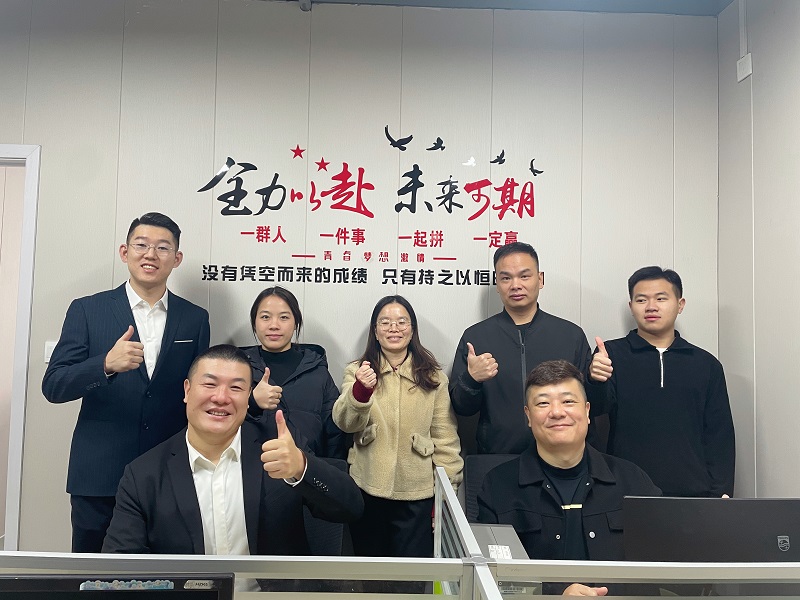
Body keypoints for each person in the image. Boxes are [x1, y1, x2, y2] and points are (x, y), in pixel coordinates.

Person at [42, 212, 210, 552]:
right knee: (93, 572)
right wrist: (104, 364)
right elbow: (54, 385)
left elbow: (198, 391)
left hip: (168, 471)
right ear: (124, 252)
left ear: (177, 258)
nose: (151, 255)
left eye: (163, 248)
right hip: (99, 473)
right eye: (141, 245)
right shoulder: (87, 310)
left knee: (166, 572)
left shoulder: (194, 318)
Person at [102, 345, 363, 557]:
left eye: (236, 388)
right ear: (187, 390)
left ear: (248, 397)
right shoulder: (144, 474)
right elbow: (121, 565)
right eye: (210, 384)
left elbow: (350, 507)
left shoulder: (277, 449)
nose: (221, 397)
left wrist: (302, 468)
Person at [477, 360, 661, 596]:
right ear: (528, 416)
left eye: (568, 401)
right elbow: (493, 580)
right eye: (543, 403)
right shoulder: (498, 487)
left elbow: (661, 568)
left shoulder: (633, 481)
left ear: (587, 411)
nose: (556, 412)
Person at [333, 295, 463, 560]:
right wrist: (361, 390)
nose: (394, 328)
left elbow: (446, 439)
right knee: (370, 572)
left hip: (418, 496)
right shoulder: (358, 371)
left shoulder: (433, 377)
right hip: (366, 489)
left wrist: (444, 500)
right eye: (385, 322)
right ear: (375, 331)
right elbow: (345, 423)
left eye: (402, 322)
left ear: (412, 330)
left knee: (412, 575)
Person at [588, 266, 735, 497]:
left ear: (680, 304)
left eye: (661, 298)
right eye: (641, 300)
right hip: (627, 490)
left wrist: (721, 491)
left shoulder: (706, 364)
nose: (651, 307)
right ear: (631, 307)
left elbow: (720, 435)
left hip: (694, 493)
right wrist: (595, 379)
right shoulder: (611, 355)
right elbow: (595, 411)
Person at [450, 242, 592, 454]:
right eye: (506, 278)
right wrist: (472, 379)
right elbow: (461, 408)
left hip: (562, 456)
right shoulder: (476, 337)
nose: (515, 285)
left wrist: (598, 379)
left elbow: (592, 403)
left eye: (524, 276)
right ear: (497, 284)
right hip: (498, 457)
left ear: (540, 279)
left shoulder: (570, 335)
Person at [241, 286, 345, 459]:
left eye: (284, 317)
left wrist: (330, 472)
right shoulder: (238, 369)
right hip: (251, 470)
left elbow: (335, 435)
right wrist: (252, 403)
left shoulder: (317, 371)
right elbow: (219, 426)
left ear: (296, 322)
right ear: (254, 322)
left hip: (308, 470)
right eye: (265, 317)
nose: (274, 325)